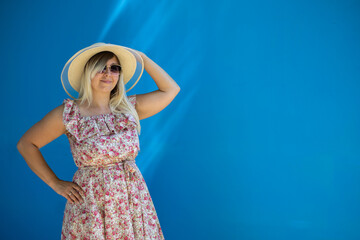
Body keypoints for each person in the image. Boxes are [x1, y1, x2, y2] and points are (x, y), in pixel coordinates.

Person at [17, 43, 180, 239]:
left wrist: (142, 57)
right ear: (88, 72)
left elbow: (170, 90)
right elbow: (26, 144)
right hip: (92, 206)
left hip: (132, 203)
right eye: (101, 67)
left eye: (114, 68)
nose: (108, 74)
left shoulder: (128, 108)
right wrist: (55, 183)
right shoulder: (70, 114)